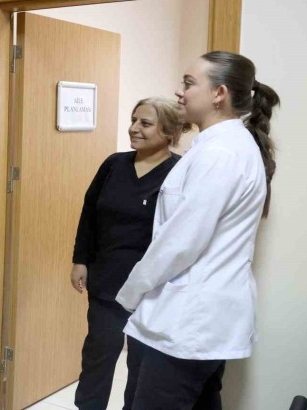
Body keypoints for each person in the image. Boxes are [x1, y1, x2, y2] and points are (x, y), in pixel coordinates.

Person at [116, 51, 280, 410]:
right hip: (192, 321)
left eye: (189, 84)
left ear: (219, 94)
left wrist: (130, 293)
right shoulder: (218, 147)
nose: (179, 91)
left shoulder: (221, 153)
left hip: (186, 323)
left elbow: (180, 242)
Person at [71, 97, 190, 410]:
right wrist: (80, 259)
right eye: (133, 120)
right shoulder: (114, 164)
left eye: (145, 123)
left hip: (152, 289)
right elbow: (89, 214)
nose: (134, 128)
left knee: (141, 365)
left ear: (169, 133)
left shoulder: (179, 172)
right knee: (98, 356)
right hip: (107, 281)